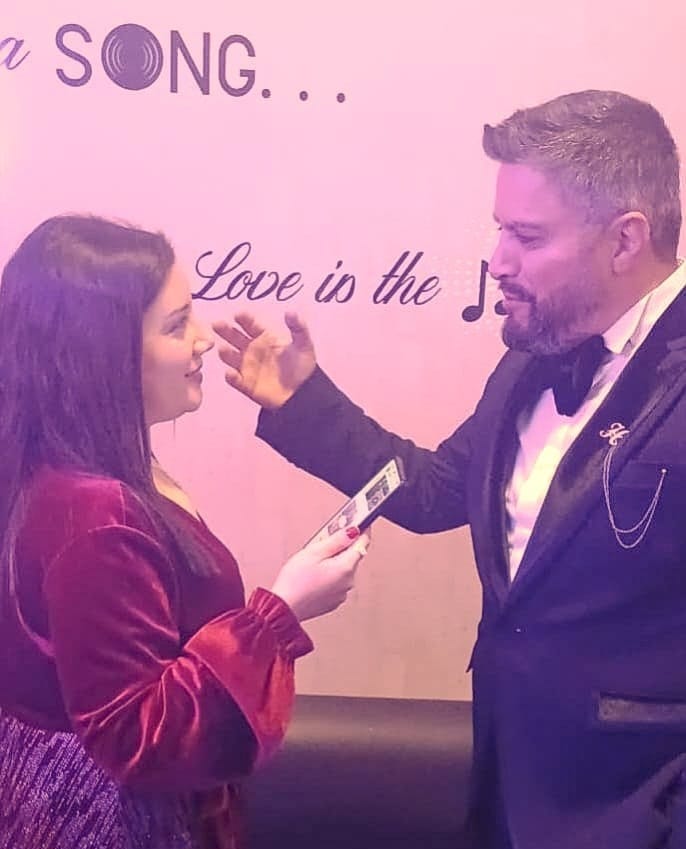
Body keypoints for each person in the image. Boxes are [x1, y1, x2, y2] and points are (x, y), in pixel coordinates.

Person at [214, 90, 686, 849]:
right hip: (507, 795)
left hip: (638, 811)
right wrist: (305, 405)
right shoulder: (531, 358)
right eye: (501, 229)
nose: (498, 262)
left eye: (526, 236)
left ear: (625, 240)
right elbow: (435, 491)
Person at [0, 215, 368, 849]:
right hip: (103, 821)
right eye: (176, 326)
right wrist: (279, 615)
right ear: (99, 353)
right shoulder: (94, 512)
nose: (202, 340)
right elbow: (141, 735)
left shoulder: (81, 473)